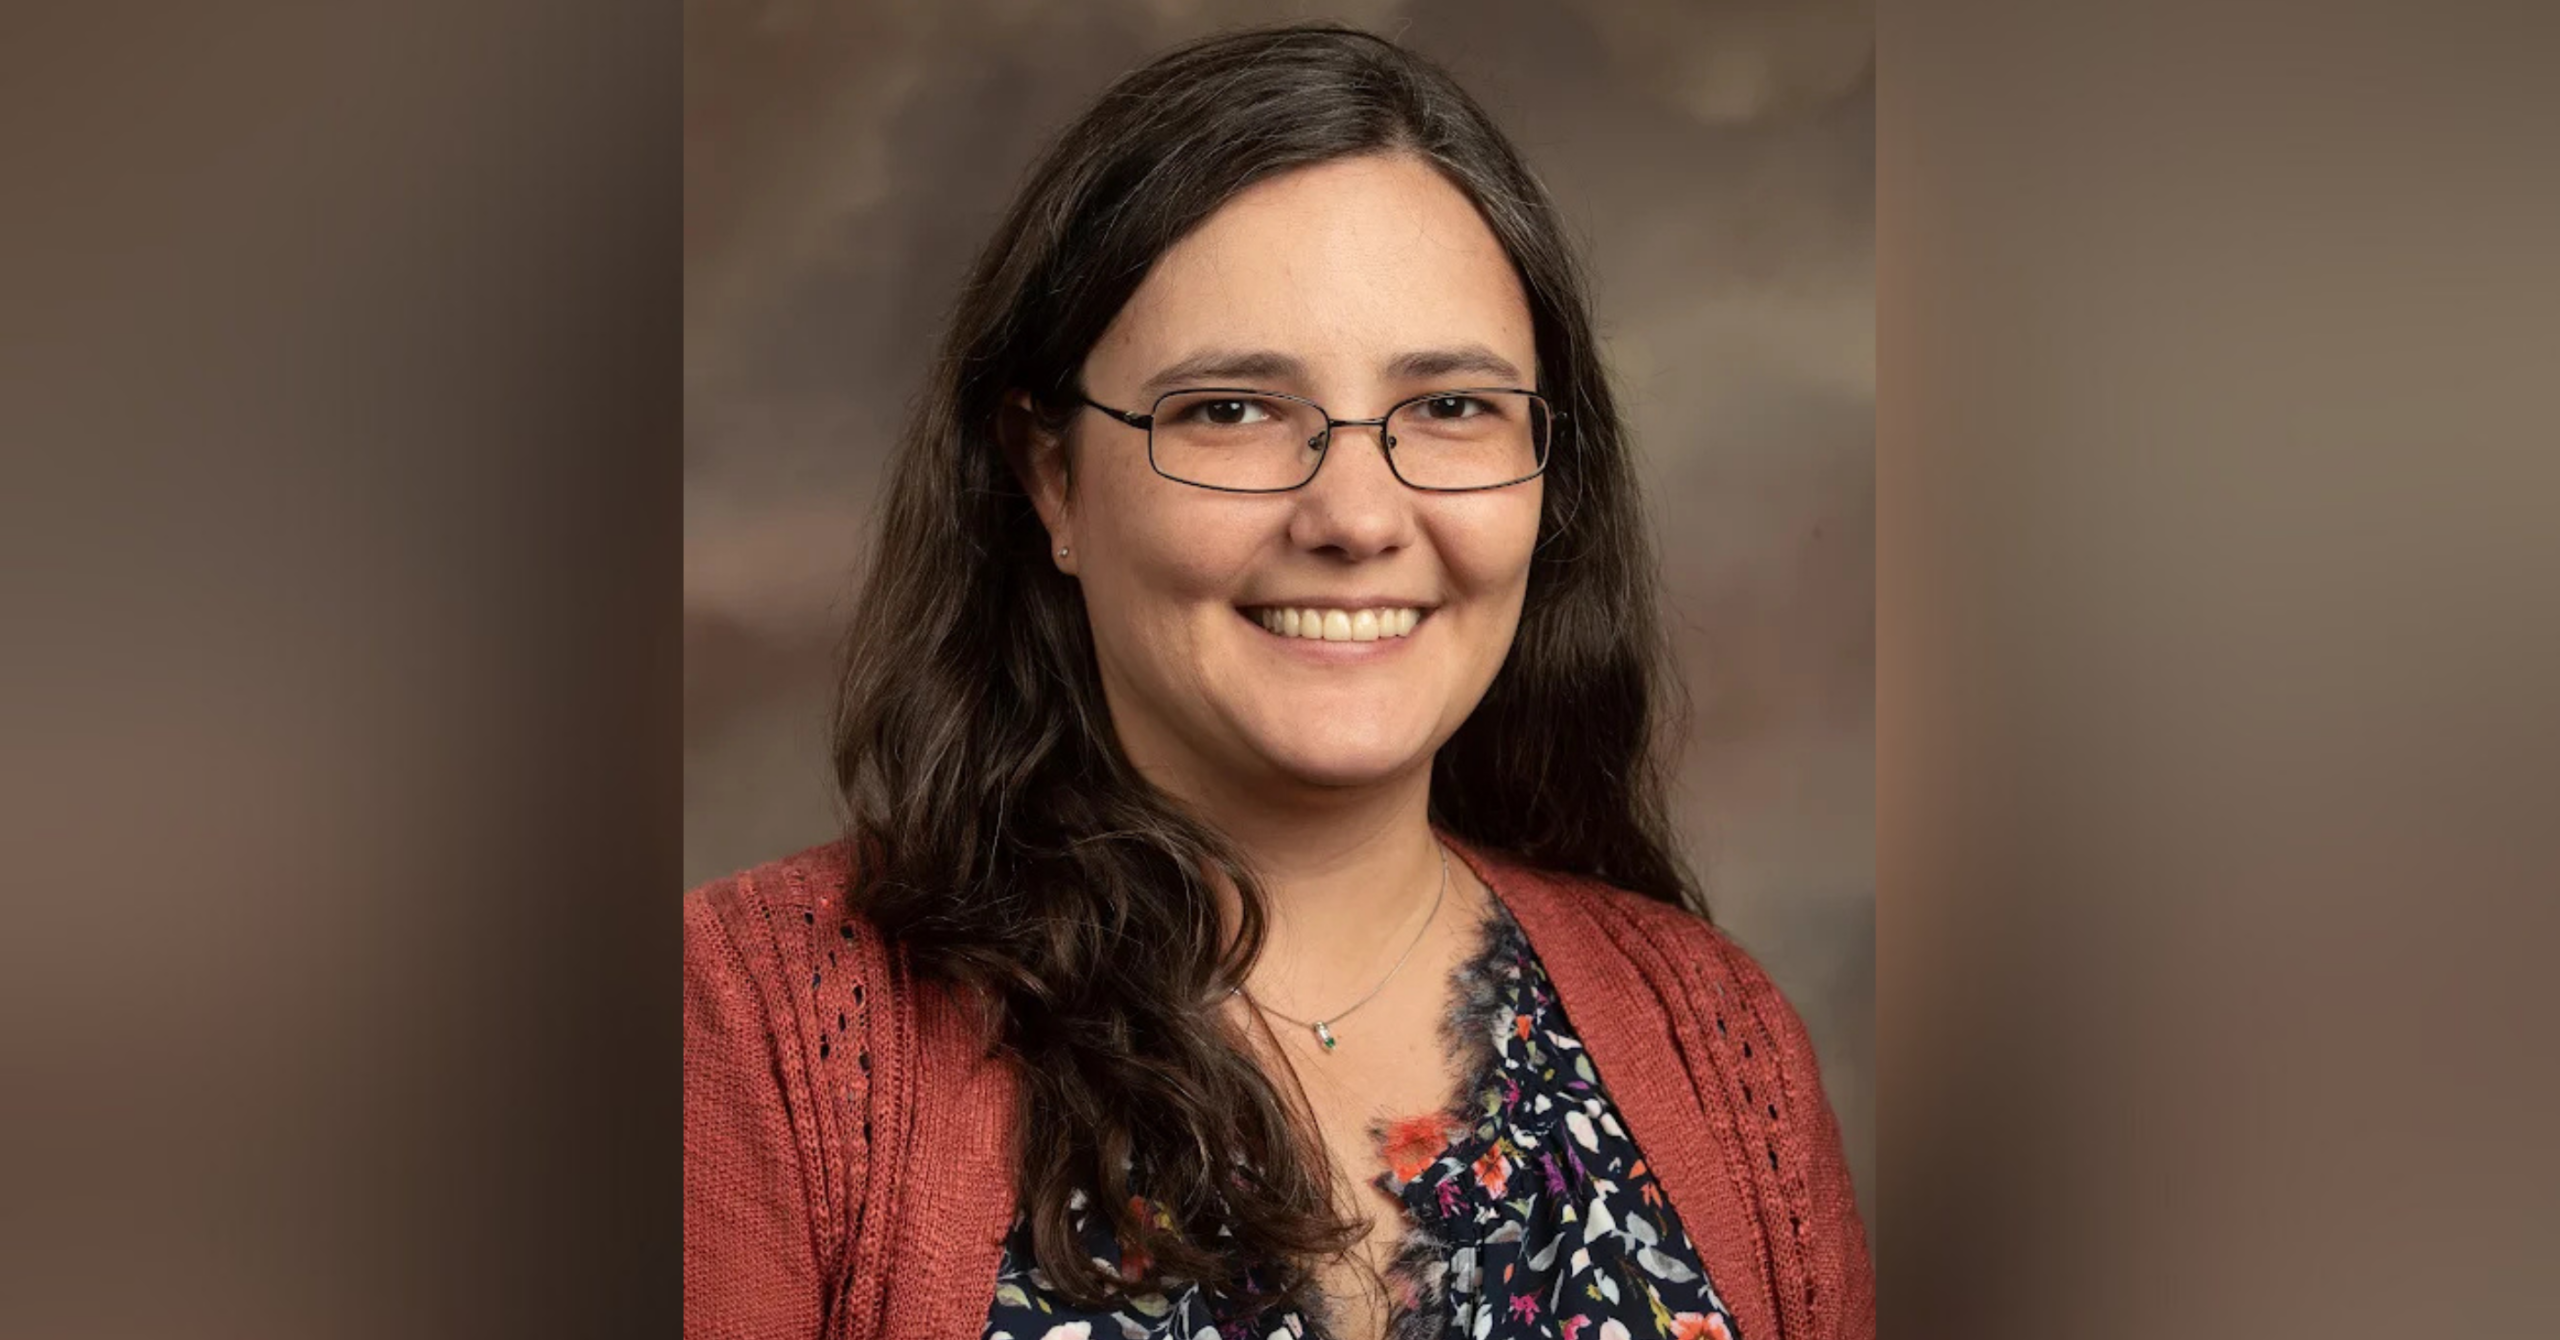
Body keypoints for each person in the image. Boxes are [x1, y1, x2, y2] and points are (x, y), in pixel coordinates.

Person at [684, 23, 1870, 1340]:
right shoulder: (746, 1037)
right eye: (1233, 411)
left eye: (1452, 408)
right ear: (1051, 478)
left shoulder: (1724, 1043)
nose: (1357, 516)